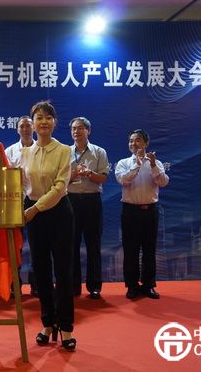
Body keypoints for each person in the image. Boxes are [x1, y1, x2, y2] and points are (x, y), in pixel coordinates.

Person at [23, 101, 76, 351]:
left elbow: (60, 187)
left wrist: (34, 209)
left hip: (58, 212)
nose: (43, 121)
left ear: (55, 122)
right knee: (41, 271)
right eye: (39, 117)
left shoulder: (64, 150)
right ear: (32, 124)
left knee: (63, 272)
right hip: (33, 216)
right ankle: (48, 323)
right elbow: (22, 187)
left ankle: (65, 327)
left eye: (48, 117)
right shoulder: (26, 153)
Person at [115, 129, 169, 300]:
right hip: (130, 211)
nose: (134, 143)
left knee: (149, 250)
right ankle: (132, 286)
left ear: (146, 143)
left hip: (150, 211)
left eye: (138, 140)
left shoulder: (156, 162)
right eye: (131, 141)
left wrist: (152, 165)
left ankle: (148, 285)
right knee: (130, 250)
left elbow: (163, 182)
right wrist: (137, 165)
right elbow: (124, 180)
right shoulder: (123, 163)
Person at [68, 117, 109, 299]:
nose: (76, 132)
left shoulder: (99, 152)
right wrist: (74, 174)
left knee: (93, 244)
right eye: (73, 129)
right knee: (71, 245)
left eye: (80, 128)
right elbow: (61, 180)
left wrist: (89, 173)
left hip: (92, 201)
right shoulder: (65, 152)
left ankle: (94, 287)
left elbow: (103, 178)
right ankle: (73, 286)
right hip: (71, 201)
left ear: (88, 131)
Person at [4, 115, 38, 297]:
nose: (25, 129)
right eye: (22, 126)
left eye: (28, 126)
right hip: (14, 201)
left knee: (37, 244)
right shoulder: (9, 151)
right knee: (14, 245)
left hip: (35, 200)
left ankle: (36, 284)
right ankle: (14, 284)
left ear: (34, 128)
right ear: (17, 129)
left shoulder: (41, 149)